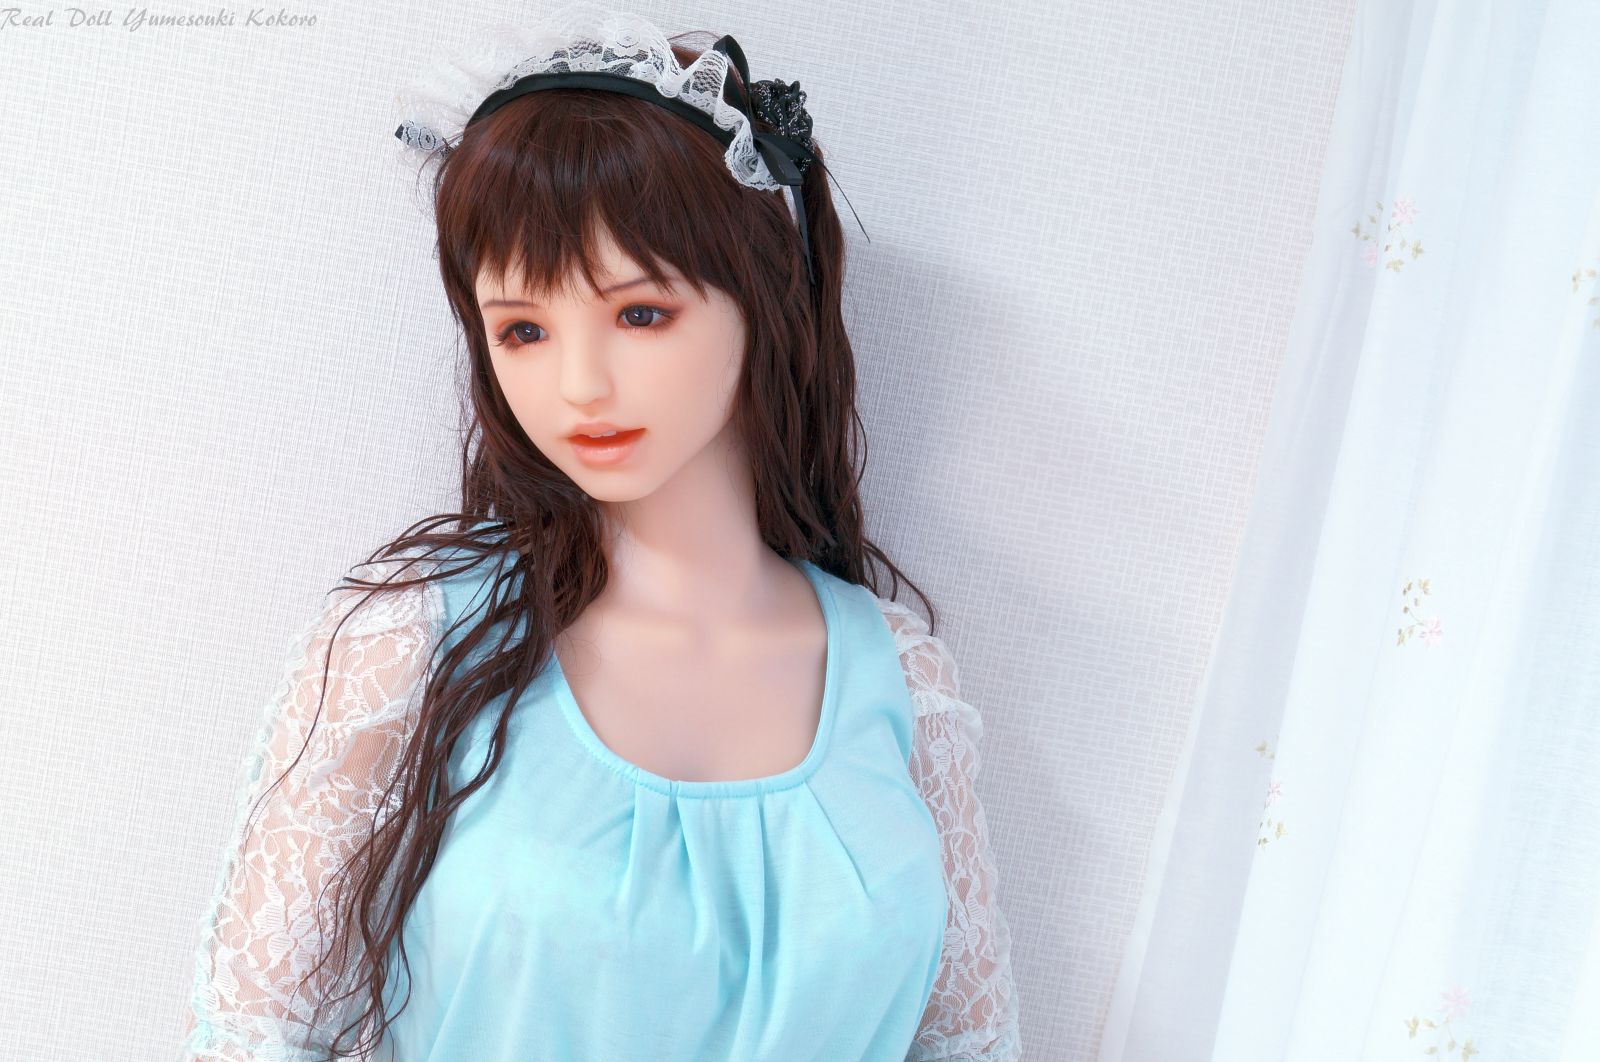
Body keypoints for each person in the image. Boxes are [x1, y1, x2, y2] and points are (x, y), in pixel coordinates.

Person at [177, 6, 1021, 1060]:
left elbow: (966, 1043)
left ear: (765, 297)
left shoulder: (903, 680)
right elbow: (252, 1037)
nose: (579, 384)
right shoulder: (406, 647)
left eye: (639, 314)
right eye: (524, 330)